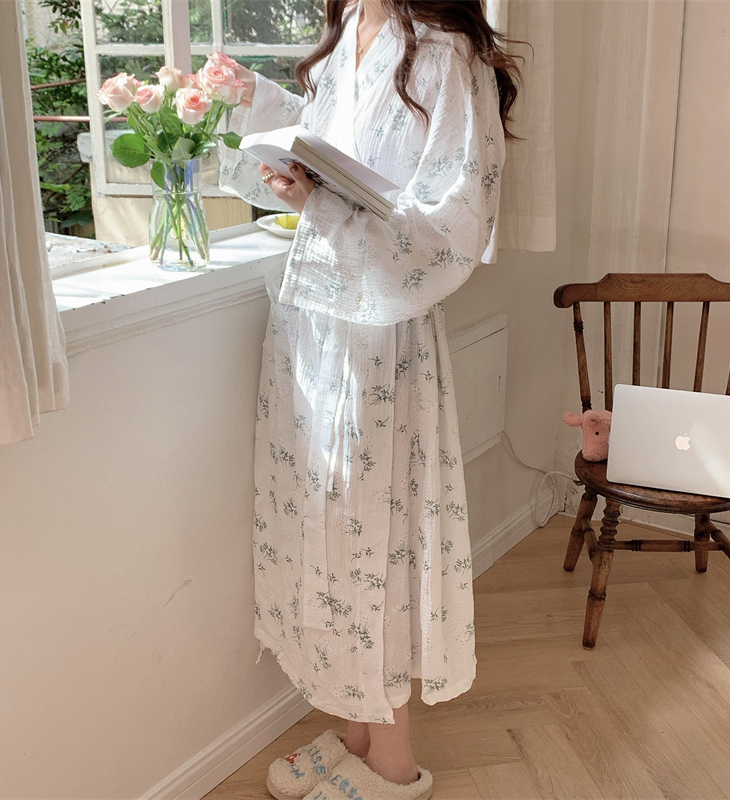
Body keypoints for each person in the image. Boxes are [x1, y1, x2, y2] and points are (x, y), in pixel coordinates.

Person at [219, 1, 519, 798]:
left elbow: (455, 219)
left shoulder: (447, 53)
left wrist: (320, 202)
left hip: (382, 333)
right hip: (311, 320)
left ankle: (394, 765)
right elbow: (338, 163)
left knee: (369, 537)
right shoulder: (349, 26)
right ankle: (357, 732)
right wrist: (264, 115)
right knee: (320, 527)